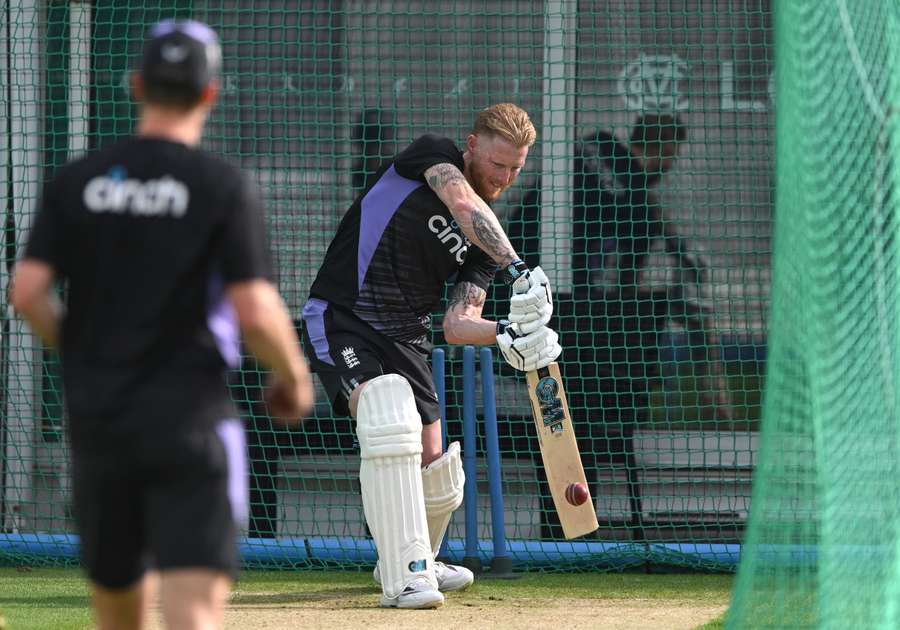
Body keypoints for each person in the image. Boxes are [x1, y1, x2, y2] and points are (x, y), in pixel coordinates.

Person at [10, 20, 313, 630]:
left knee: (120, 616)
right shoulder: (223, 187)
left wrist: (84, 351)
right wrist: (295, 377)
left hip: (101, 423)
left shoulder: (77, 181)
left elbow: (28, 293)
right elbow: (254, 310)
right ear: (211, 94)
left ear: (136, 85)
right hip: (191, 420)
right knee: (191, 615)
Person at [301, 103, 562, 608]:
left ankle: (411, 557)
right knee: (386, 414)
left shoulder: (485, 249)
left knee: (438, 468)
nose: (503, 177)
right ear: (471, 146)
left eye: (516, 168)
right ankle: (407, 576)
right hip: (344, 316)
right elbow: (462, 202)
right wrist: (518, 269)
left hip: (408, 338)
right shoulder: (433, 157)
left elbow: (458, 325)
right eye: (496, 163)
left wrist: (511, 336)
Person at [508, 113, 732, 539]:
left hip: (517, 293)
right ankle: (715, 397)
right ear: (668, 152)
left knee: (567, 411)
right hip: (573, 334)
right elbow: (626, 286)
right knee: (588, 401)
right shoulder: (638, 214)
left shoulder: (594, 148)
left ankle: (566, 524)